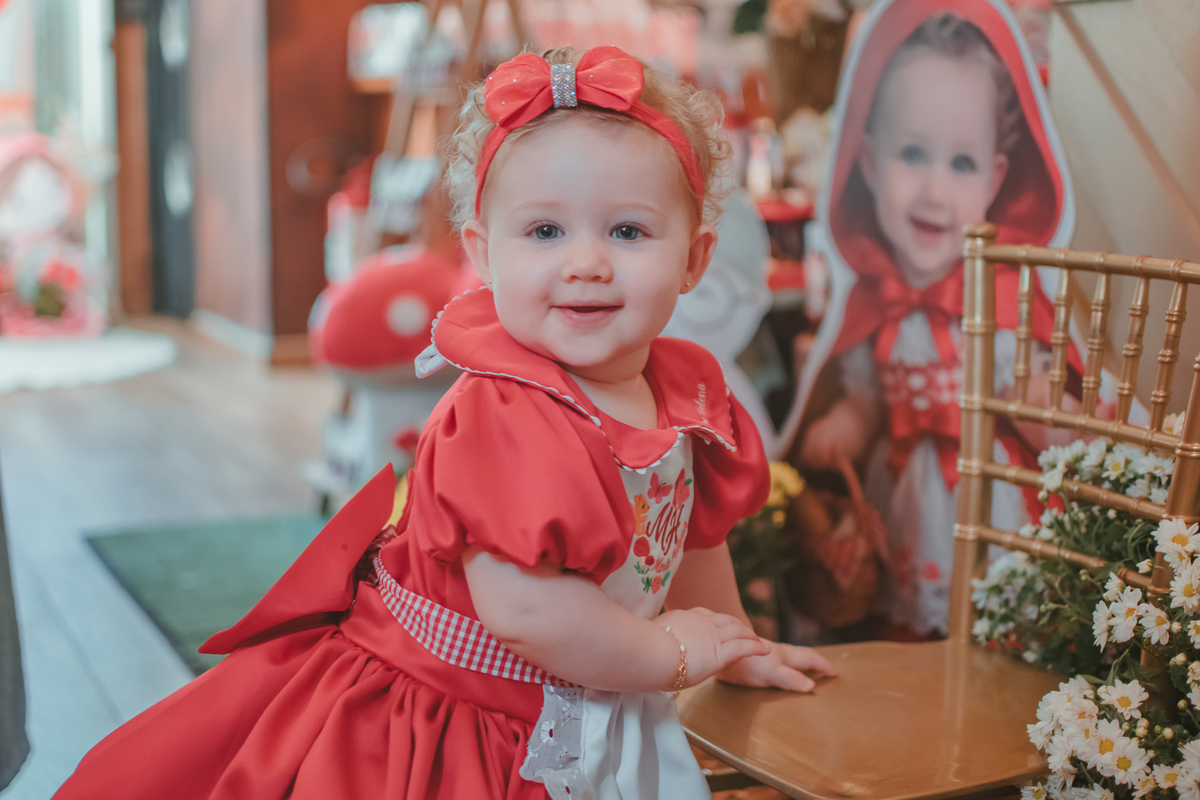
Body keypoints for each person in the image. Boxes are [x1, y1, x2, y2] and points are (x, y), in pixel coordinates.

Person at [54, 45, 834, 800]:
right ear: (483, 253)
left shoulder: (684, 392)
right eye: (545, 232)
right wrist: (668, 651)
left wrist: (733, 643)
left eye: (628, 231)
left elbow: (690, 535)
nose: (586, 263)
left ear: (694, 260)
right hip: (464, 712)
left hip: (598, 678)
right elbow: (527, 610)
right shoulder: (504, 410)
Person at [789, 1, 1078, 638]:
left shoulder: (1003, 301)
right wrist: (845, 423)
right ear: (867, 162)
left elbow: (1045, 399)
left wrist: (1035, 405)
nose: (934, 190)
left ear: (996, 180)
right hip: (903, 500)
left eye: (962, 163)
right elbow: (869, 399)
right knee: (909, 638)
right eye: (912, 154)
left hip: (989, 498)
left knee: (997, 630)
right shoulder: (878, 300)